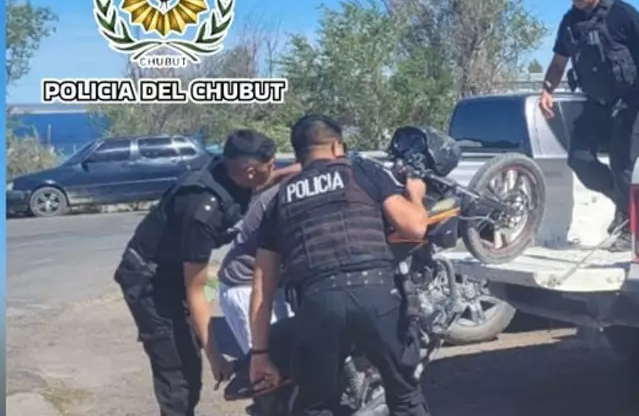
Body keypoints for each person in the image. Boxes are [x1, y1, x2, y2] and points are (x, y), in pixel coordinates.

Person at [248, 113, 432, 416]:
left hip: (317, 305)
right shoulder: (361, 172)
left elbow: (261, 285)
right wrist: (416, 195)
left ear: (299, 154)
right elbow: (414, 227)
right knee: (405, 396)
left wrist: (259, 353)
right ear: (336, 146)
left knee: (317, 405)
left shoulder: (279, 201)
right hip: (376, 295)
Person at [113, 129, 277, 416]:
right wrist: (216, 356)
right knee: (179, 371)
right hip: (152, 283)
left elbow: (266, 180)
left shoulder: (230, 173)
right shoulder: (202, 210)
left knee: (191, 341)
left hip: (181, 272)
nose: (274, 170)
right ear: (249, 170)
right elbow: (196, 289)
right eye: (272, 165)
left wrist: (305, 170)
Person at [538, 0, 639, 250]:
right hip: (596, 103)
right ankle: (623, 203)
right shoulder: (569, 23)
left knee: (625, 166)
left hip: (630, 101)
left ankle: (629, 227)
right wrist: (547, 90)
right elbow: (558, 62)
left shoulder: (621, 12)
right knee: (579, 159)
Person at [217, 174, 296, 356]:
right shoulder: (285, 197)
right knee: (269, 360)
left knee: (295, 356)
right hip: (246, 284)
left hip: (278, 283)